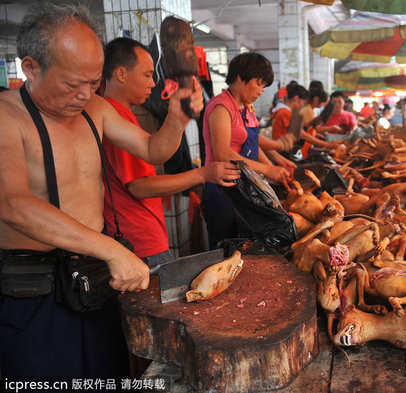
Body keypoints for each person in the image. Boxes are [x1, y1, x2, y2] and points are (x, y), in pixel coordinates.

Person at [0, 3, 203, 381]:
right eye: (72, 83)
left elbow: (152, 149)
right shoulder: (6, 117)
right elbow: (14, 205)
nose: (84, 94)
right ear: (30, 68)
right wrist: (111, 249)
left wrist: (176, 119)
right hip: (34, 286)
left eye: (93, 82)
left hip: (94, 277)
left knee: (106, 372)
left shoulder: (97, 108)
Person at [101, 37, 239, 267]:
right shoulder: (113, 116)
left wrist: (179, 119)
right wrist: (203, 174)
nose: (153, 83)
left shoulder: (123, 115)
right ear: (121, 74)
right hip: (138, 240)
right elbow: (139, 186)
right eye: (146, 75)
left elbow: (155, 150)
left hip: (142, 235)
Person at [203, 52, 291, 248]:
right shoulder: (221, 107)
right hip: (223, 188)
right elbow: (223, 153)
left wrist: (272, 169)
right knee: (226, 244)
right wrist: (268, 170)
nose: (261, 91)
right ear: (241, 78)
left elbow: (251, 144)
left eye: (264, 86)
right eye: (259, 83)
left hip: (244, 186)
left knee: (247, 246)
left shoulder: (245, 108)